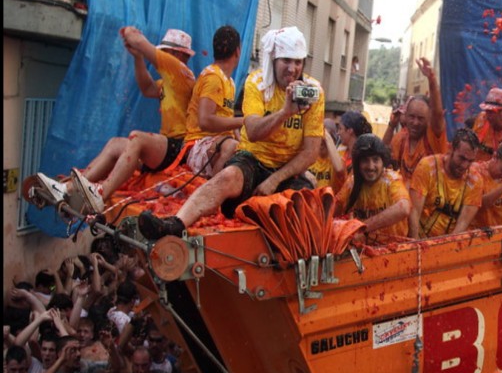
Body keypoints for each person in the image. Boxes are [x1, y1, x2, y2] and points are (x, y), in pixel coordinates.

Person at [138, 26, 323, 240]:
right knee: (227, 175)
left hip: (287, 169)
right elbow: (252, 131)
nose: (292, 69)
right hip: (254, 158)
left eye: (297, 62)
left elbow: (311, 152)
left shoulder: (313, 91)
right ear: (273, 60)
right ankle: (174, 224)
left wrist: (275, 179)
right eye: (286, 61)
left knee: (303, 202)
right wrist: (284, 113)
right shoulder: (257, 83)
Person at [71, 27, 197, 211]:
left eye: (164, 53)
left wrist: (128, 32)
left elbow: (138, 41)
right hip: (168, 146)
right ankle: (70, 187)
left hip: (180, 147)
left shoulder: (181, 72)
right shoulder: (170, 82)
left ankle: (102, 193)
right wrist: (138, 58)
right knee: (115, 143)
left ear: (177, 55)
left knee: (137, 138)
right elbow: (147, 89)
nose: (160, 56)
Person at [182, 25, 244, 179]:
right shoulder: (213, 78)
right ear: (238, 51)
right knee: (231, 147)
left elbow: (229, 120)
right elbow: (205, 121)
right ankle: (209, 193)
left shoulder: (229, 82)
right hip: (197, 145)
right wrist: (243, 121)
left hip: (218, 144)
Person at [407, 128, 483, 239]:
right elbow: (414, 213)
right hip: (420, 238)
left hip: (450, 243)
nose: (465, 166)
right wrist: (417, 245)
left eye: (470, 161)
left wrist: (446, 249)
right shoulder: (427, 166)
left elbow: (463, 223)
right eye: (461, 158)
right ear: (450, 149)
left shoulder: (475, 180)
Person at [337, 134, 411, 241]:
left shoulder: (391, 180)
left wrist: (361, 228)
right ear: (358, 163)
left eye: (375, 160)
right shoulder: (352, 182)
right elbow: (335, 208)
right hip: (362, 250)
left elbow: (404, 208)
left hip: (394, 249)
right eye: (365, 161)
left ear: (383, 162)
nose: (371, 167)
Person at [384, 58, 447, 184]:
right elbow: (382, 154)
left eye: (421, 118)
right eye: (412, 117)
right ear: (405, 116)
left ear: (428, 119)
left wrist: (432, 80)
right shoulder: (400, 138)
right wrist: (391, 126)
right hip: (403, 201)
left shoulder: (433, 138)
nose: (415, 122)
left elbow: (437, 113)